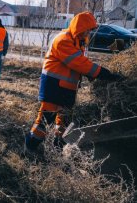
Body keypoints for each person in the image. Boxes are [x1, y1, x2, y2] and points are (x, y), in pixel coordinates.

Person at [24, 12, 122, 153]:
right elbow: (79, 63)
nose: (88, 33)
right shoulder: (64, 40)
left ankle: (58, 148)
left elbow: (78, 65)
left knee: (63, 121)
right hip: (53, 87)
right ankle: (29, 147)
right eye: (87, 30)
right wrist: (103, 73)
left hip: (66, 88)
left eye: (90, 30)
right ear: (79, 27)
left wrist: (89, 73)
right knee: (45, 121)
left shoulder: (77, 41)